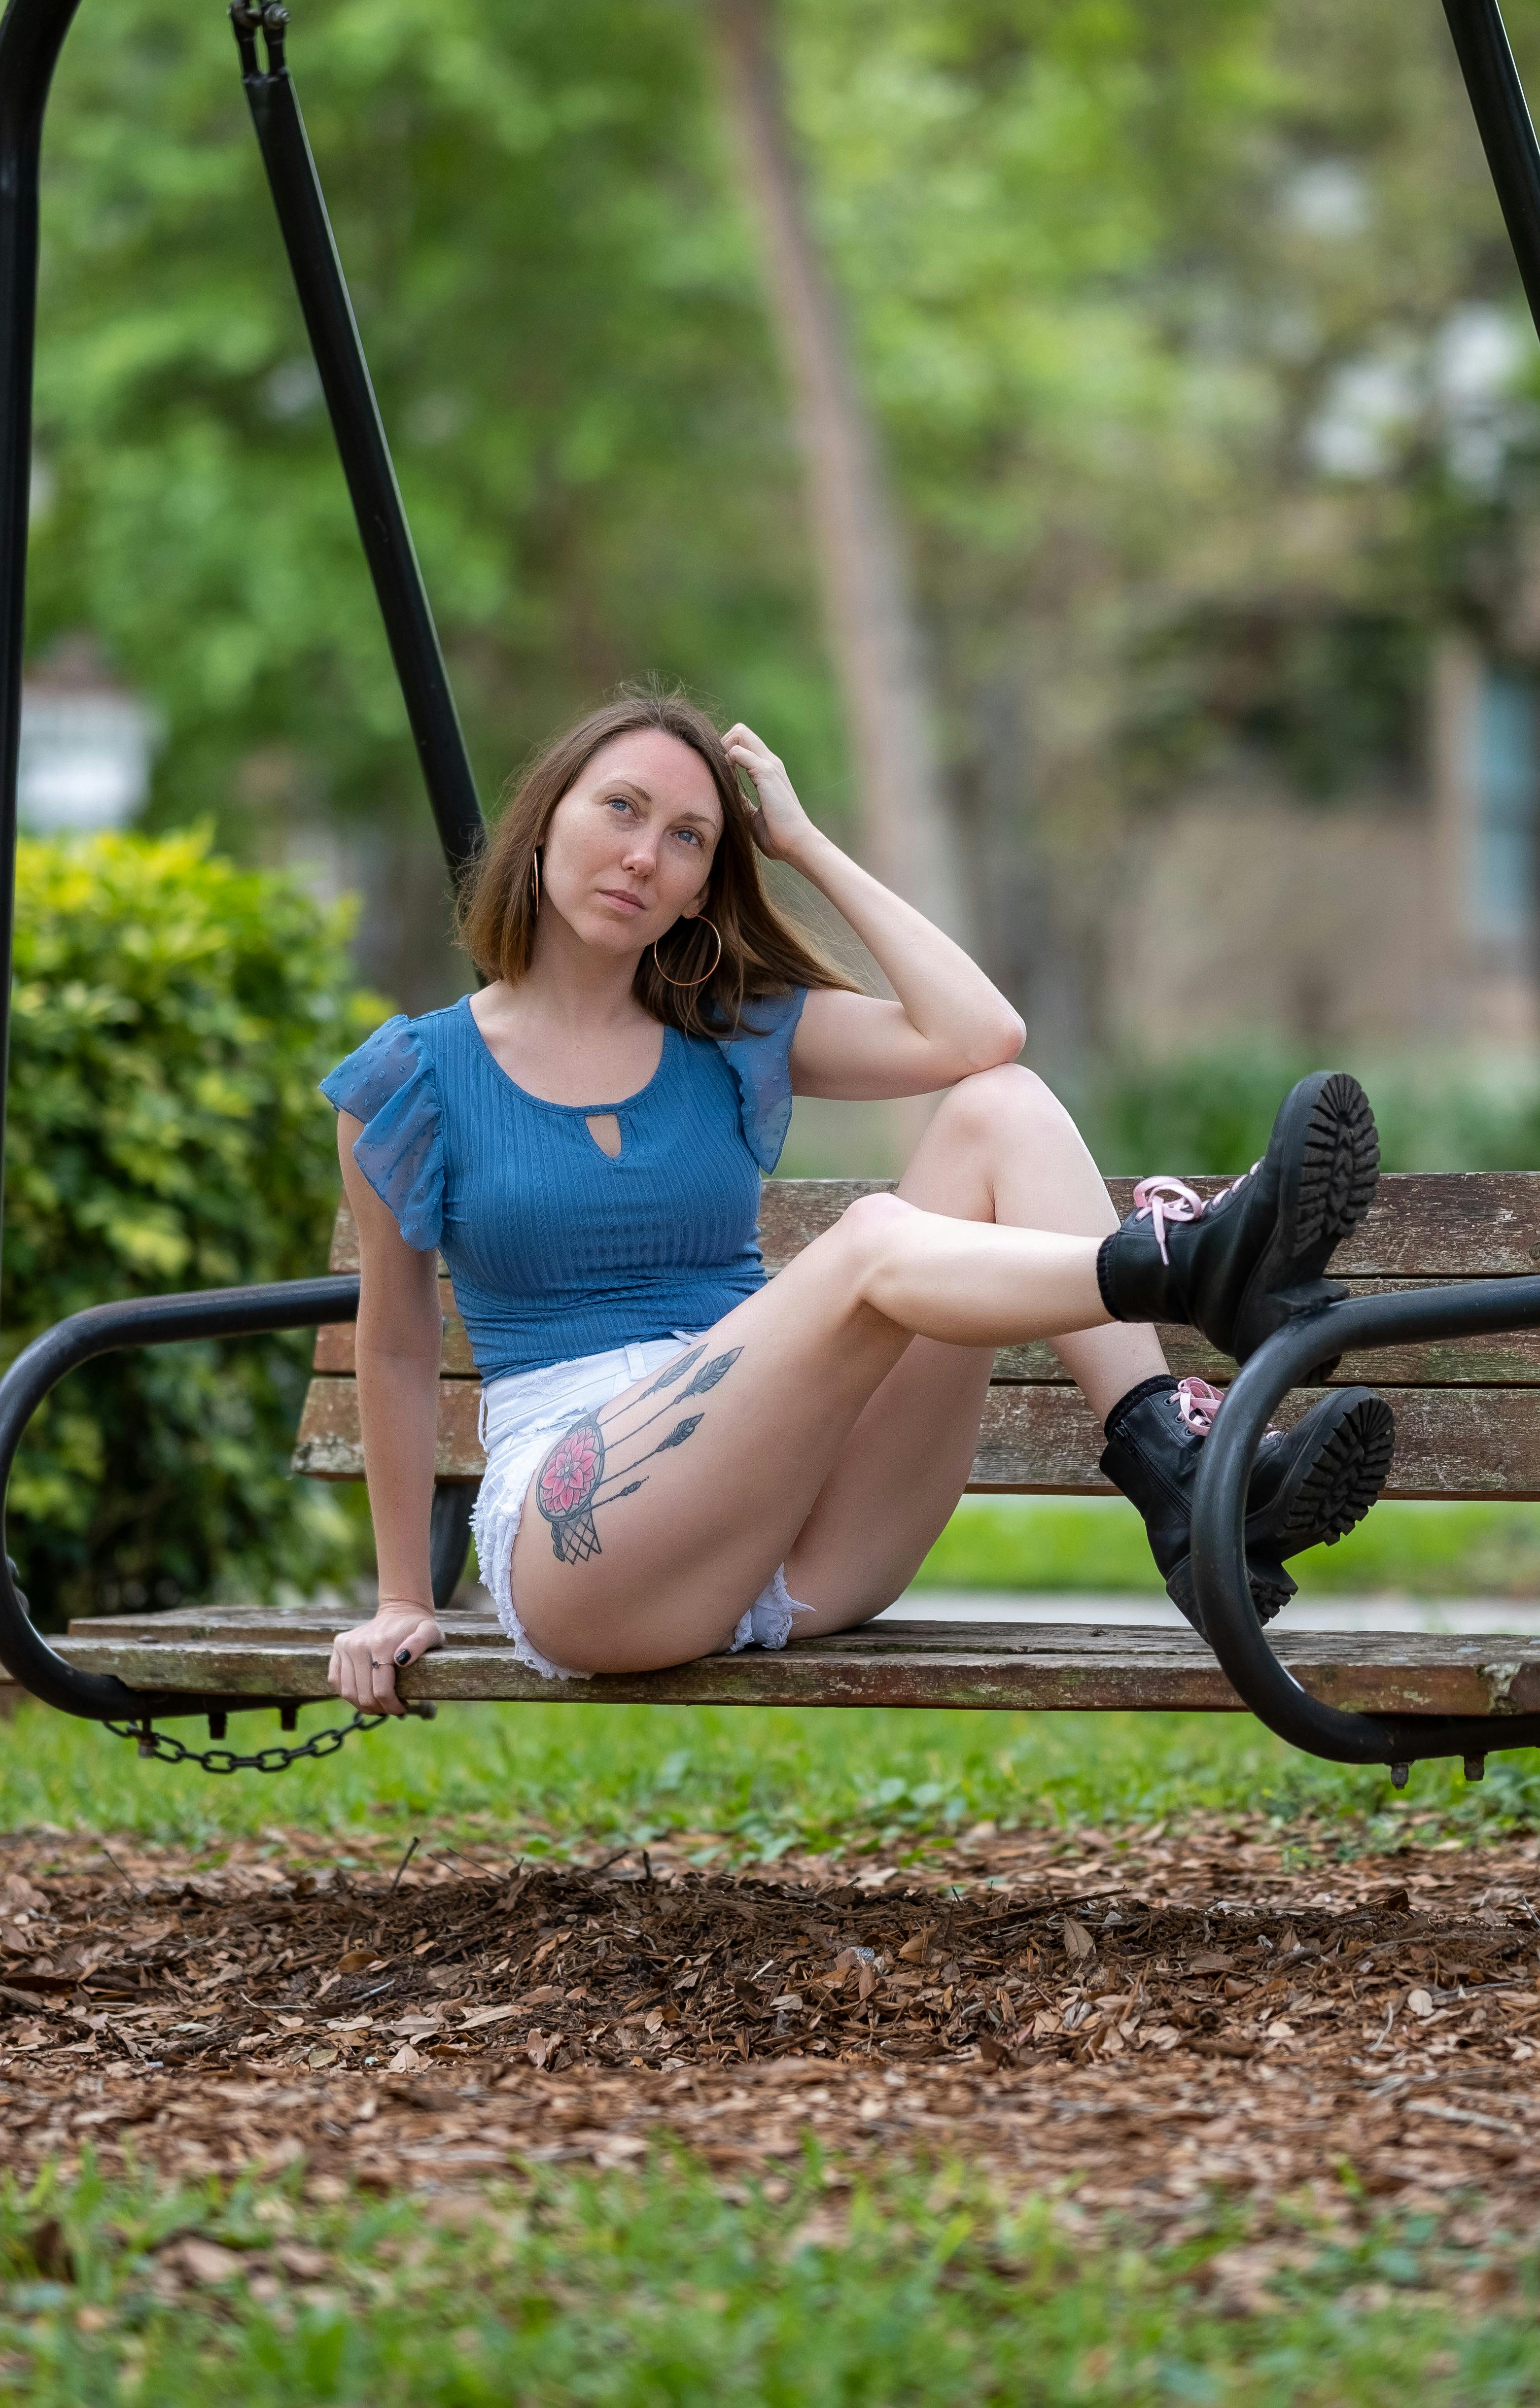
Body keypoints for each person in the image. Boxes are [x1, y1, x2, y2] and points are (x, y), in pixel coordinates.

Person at [319, 690, 1391, 1713]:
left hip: (812, 1533)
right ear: (544, 821)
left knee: (999, 1108)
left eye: (691, 837)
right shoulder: (411, 1079)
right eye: (622, 808)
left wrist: (804, 845)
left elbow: (983, 1037)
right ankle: (1187, 1263)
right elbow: (402, 1347)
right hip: (589, 1540)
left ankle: (1186, 1489)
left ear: (703, 888)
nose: (646, 855)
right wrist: (404, 1599)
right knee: (875, 1243)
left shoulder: (722, 1027)